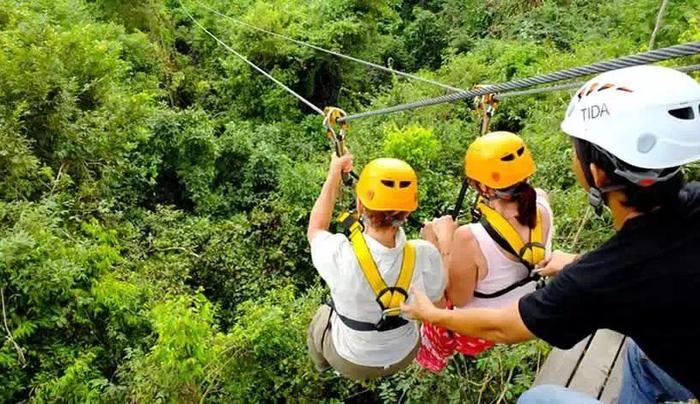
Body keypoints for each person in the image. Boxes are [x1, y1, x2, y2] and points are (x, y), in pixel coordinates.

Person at [400, 65, 700, 401]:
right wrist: (574, 261)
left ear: (598, 175)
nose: (573, 157)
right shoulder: (690, 205)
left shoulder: (601, 277)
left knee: (535, 399)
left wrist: (429, 312)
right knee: (640, 355)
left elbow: (502, 326)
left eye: (576, 150)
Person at [417, 132, 554, 372]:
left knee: (430, 285)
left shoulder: (470, 238)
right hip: (524, 309)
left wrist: (440, 242)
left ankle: (431, 354)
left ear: (482, 186)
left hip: (480, 329)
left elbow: (457, 300)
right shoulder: (541, 205)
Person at [306, 154, 446, 380]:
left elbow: (316, 229)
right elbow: (438, 303)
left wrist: (334, 174)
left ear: (360, 205)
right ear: (408, 211)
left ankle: (321, 365)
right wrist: (436, 244)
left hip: (350, 360)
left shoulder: (341, 254)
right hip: (404, 354)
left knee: (322, 316)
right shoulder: (424, 253)